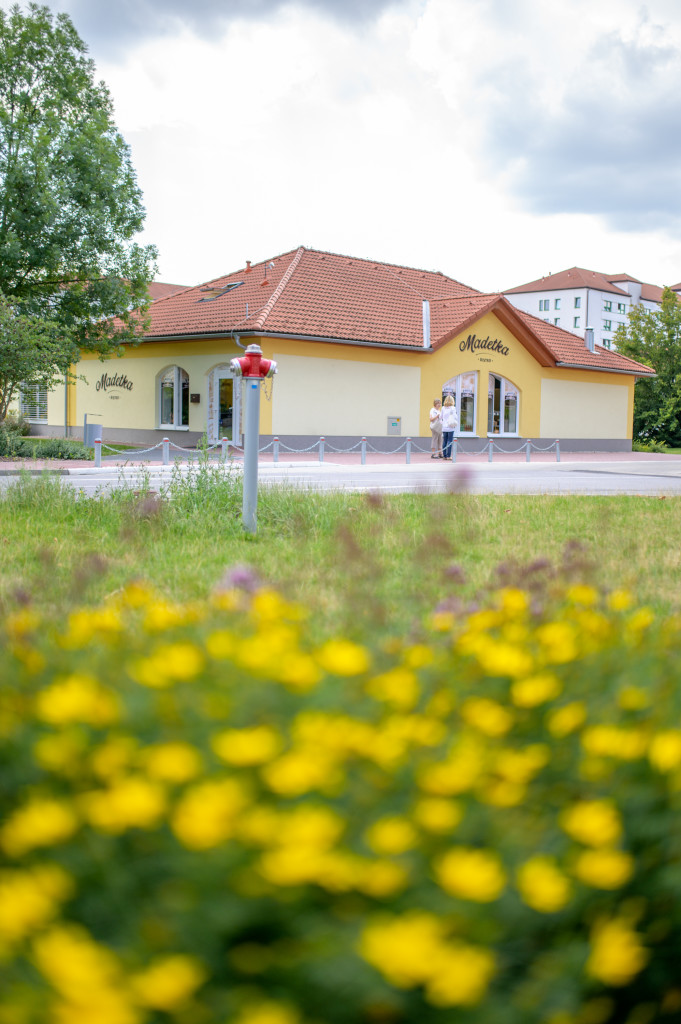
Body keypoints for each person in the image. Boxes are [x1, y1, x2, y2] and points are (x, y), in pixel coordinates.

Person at [441, 395, 458, 460]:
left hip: (444, 427)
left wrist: (442, 423)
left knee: (444, 441)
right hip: (450, 427)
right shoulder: (453, 408)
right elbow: (456, 417)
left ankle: (444, 456)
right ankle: (449, 456)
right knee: (449, 441)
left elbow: (440, 417)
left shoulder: (443, 408)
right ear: (452, 401)